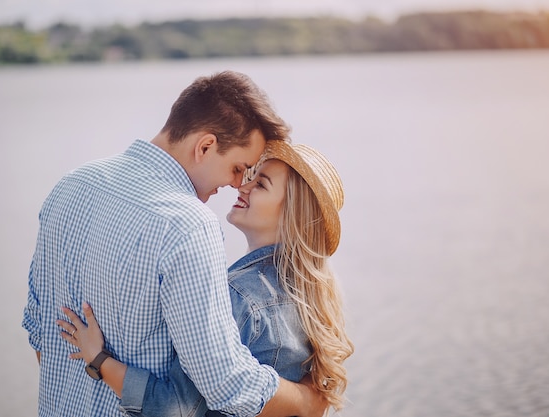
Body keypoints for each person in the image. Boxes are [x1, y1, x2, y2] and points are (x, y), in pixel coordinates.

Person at [22, 71, 328, 417]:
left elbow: (39, 331)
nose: (236, 183)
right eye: (237, 168)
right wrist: (305, 401)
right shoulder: (188, 225)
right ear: (205, 146)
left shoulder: (71, 186)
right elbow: (225, 384)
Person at [57, 140, 355, 416]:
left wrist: (98, 359)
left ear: (292, 215)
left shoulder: (238, 297)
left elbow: (175, 408)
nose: (243, 186)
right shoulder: (307, 295)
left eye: (260, 184)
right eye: (250, 174)